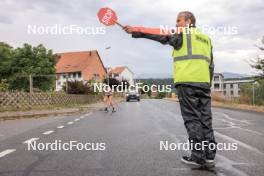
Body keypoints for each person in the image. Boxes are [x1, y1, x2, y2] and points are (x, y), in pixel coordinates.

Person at [123, 11, 216, 167]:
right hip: (204, 84)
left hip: (187, 83)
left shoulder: (183, 34)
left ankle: (198, 156)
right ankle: (209, 156)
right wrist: (207, 83)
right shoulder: (206, 39)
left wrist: (136, 31)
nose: (176, 24)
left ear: (188, 21)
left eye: (178, 20)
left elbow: (162, 36)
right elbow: (211, 65)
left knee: (192, 119)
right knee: (206, 119)